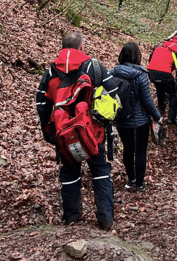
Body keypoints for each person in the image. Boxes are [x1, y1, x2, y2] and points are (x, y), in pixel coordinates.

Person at [36, 31, 119, 230]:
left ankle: (72, 217)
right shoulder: (94, 67)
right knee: (100, 171)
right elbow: (114, 95)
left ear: (62, 47)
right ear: (81, 47)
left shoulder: (51, 72)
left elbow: (41, 103)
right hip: (93, 133)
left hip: (64, 134)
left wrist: (49, 132)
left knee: (70, 172)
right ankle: (106, 219)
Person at [110, 42, 163, 192]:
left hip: (120, 118)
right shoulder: (140, 75)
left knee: (127, 149)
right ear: (137, 56)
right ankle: (140, 184)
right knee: (140, 151)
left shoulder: (112, 73)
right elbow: (147, 100)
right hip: (140, 120)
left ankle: (130, 179)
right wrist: (157, 116)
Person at [148, 32, 177, 123]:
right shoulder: (176, 51)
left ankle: (161, 109)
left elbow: (151, 59)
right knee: (173, 93)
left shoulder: (159, 46)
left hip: (151, 72)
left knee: (160, 88)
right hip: (164, 73)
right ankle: (171, 118)